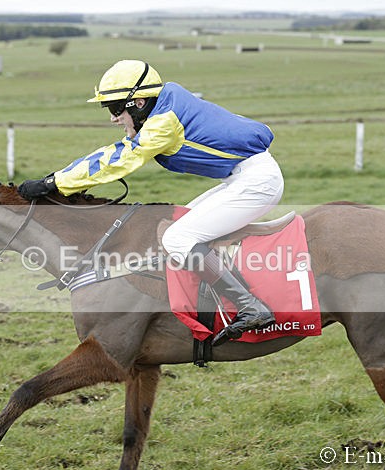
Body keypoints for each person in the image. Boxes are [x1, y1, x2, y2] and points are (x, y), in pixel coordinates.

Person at [19, 59, 284, 345]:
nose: (113, 118)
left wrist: (54, 183)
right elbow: (113, 151)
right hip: (242, 177)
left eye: (115, 108)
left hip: (256, 182)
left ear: (139, 103)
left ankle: (250, 307)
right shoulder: (163, 107)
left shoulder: (163, 123)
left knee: (179, 238)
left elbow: (120, 159)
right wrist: (58, 177)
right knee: (178, 225)